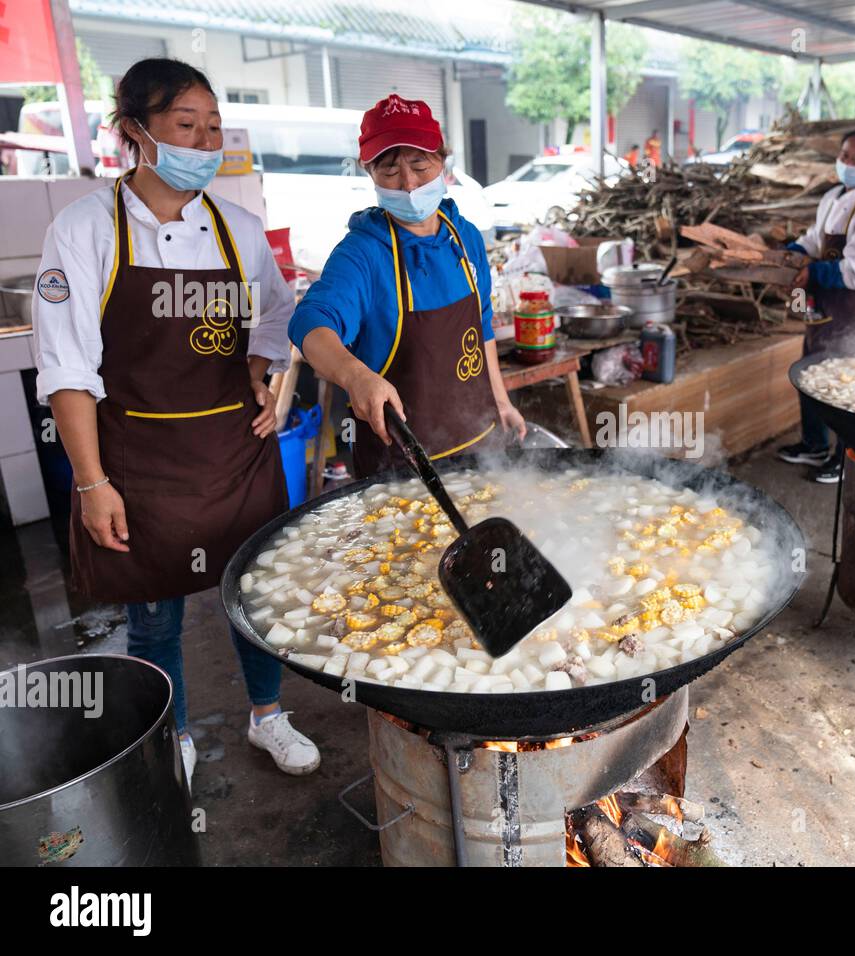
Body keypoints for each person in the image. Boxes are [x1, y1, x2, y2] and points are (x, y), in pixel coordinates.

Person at [32, 58, 320, 787]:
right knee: (155, 611)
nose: (205, 140)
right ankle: (174, 732)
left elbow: (281, 314)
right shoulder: (86, 229)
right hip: (140, 459)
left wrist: (261, 375)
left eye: (213, 125)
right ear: (136, 132)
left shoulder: (236, 228)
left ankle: (268, 716)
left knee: (253, 590)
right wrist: (92, 483)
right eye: (186, 125)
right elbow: (66, 370)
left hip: (233, 448)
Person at [289, 94, 525, 478]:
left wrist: (500, 401)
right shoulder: (362, 254)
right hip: (402, 469)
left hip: (481, 446)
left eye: (420, 164)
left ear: (442, 163)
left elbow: (481, 327)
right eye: (390, 170)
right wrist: (356, 376)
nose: (410, 183)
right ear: (370, 173)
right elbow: (310, 322)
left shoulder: (465, 237)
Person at [777, 127, 855, 484]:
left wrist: (811, 272)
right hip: (831, 301)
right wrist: (795, 253)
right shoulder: (836, 194)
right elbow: (816, 238)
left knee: (845, 381)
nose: (846, 163)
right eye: (845, 155)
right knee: (809, 368)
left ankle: (846, 458)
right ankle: (814, 443)